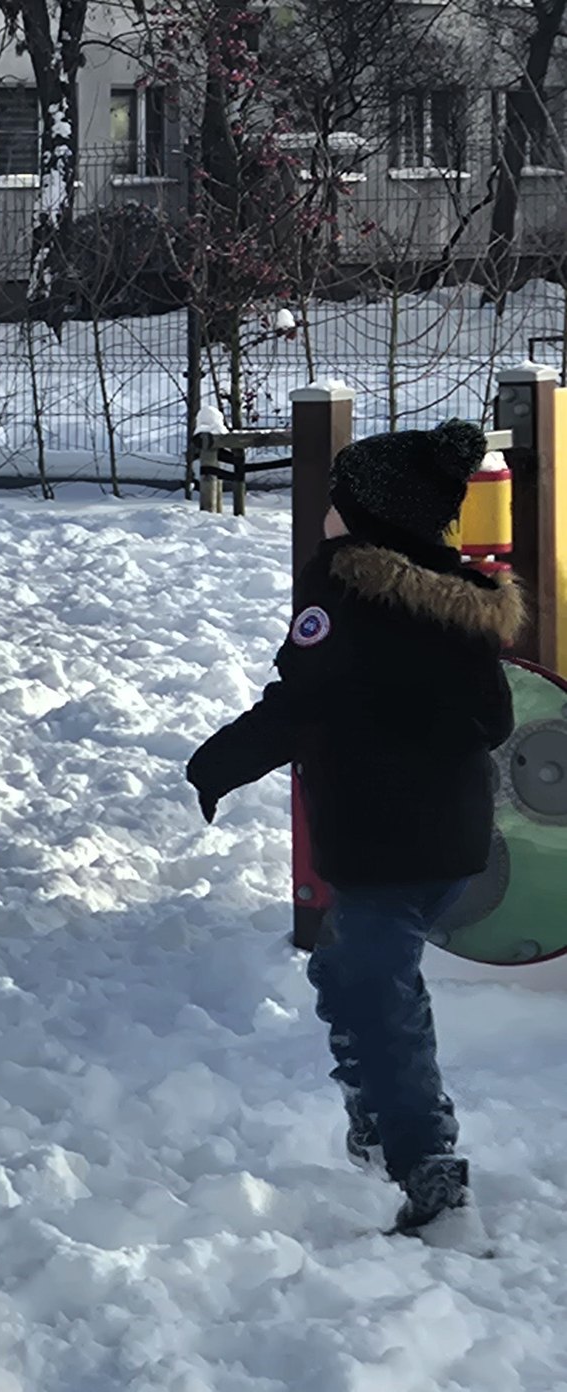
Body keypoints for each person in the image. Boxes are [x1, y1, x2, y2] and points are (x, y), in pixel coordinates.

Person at [187, 419, 515, 1248]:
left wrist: (217, 763)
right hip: (451, 842)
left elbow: (298, 702)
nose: (326, 512)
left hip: (380, 839)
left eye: (337, 500)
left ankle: (429, 1175)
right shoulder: (460, 600)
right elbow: (494, 718)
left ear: (371, 516)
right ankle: (378, 1112)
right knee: (355, 970)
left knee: (375, 1000)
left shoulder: (345, 591)